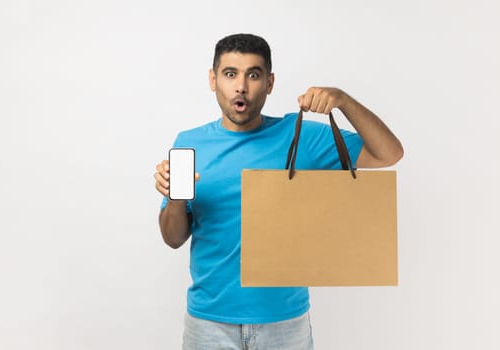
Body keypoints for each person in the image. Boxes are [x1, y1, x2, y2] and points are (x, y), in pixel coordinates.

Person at [154, 33, 403, 350]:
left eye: (253, 75)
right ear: (212, 79)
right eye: (230, 74)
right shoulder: (190, 143)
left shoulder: (302, 138)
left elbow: (389, 153)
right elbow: (173, 238)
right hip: (209, 323)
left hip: (284, 324)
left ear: (269, 83)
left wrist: (343, 101)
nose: (241, 86)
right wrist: (175, 197)